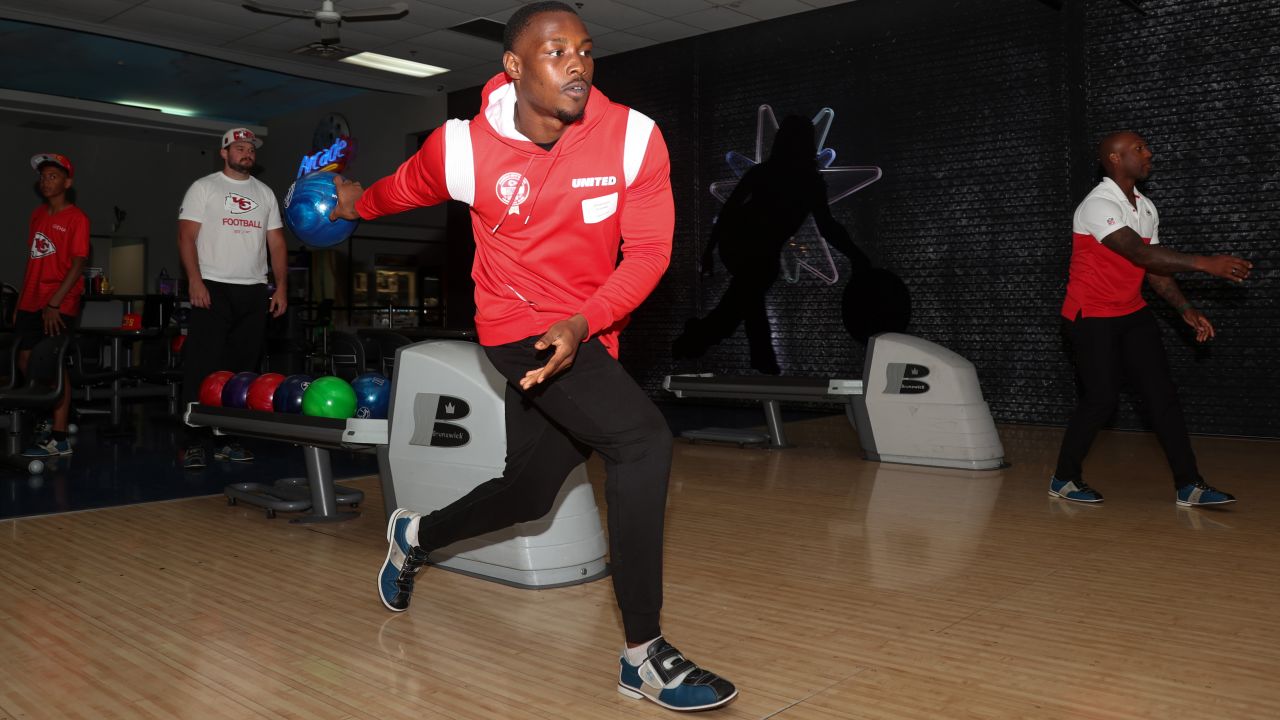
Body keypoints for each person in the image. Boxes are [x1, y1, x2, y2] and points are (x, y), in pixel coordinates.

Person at [331, 2, 736, 712]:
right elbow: (400, 191)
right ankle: (643, 654)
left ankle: (415, 534)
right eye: (555, 52)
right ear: (514, 68)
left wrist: (586, 322)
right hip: (515, 326)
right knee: (642, 443)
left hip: (587, 331)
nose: (576, 62)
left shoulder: (634, 139)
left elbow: (648, 255)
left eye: (585, 49)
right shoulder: (461, 150)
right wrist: (350, 207)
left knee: (529, 490)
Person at [1050, 130, 1252, 507]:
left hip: (1131, 312)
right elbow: (1138, 255)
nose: (1149, 154)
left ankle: (1189, 485)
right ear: (1114, 158)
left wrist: (1185, 308)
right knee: (1101, 400)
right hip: (1090, 316)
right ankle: (1064, 478)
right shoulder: (1097, 204)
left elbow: (1155, 270)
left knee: (1163, 398)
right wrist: (1206, 263)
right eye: (1139, 149)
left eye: (1145, 148)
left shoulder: (1144, 206)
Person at [177, 128, 288, 469]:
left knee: (242, 370)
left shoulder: (265, 193)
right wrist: (194, 281)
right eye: (238, 147)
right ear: (224, 153)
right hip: (212, 287)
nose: (246, 152)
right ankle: (193, 440)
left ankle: (229, 438)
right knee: (202, 365)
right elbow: (185, 237)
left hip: (253, 290)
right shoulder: (205, 187)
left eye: (250, 148)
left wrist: (281, 286)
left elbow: (277, 244)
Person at [16, 153, 89, 458]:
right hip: (30, 299)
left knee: (53, 366)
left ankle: (59, 437)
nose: (46, 181)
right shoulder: (37, 215)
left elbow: (78, 264)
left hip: (59, 302)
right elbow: (36, 259)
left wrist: (55, 302)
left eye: (53, 176)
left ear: (67, 182)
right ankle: (48, 419)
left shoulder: (77, 218)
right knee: (26, 362)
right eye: (43, 176)